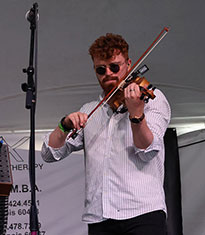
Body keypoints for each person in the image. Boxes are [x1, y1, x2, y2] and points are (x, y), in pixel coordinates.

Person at [41, 33, 171, 235]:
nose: (108, 73)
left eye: (115, 67)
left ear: (128, 64)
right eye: (101, 69)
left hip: (142, 213)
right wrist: (64, 125)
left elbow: (147, 150)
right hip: (99, 217)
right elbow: (50, 154)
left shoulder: (151, 99)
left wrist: (136, 115)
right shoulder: (90, 110)